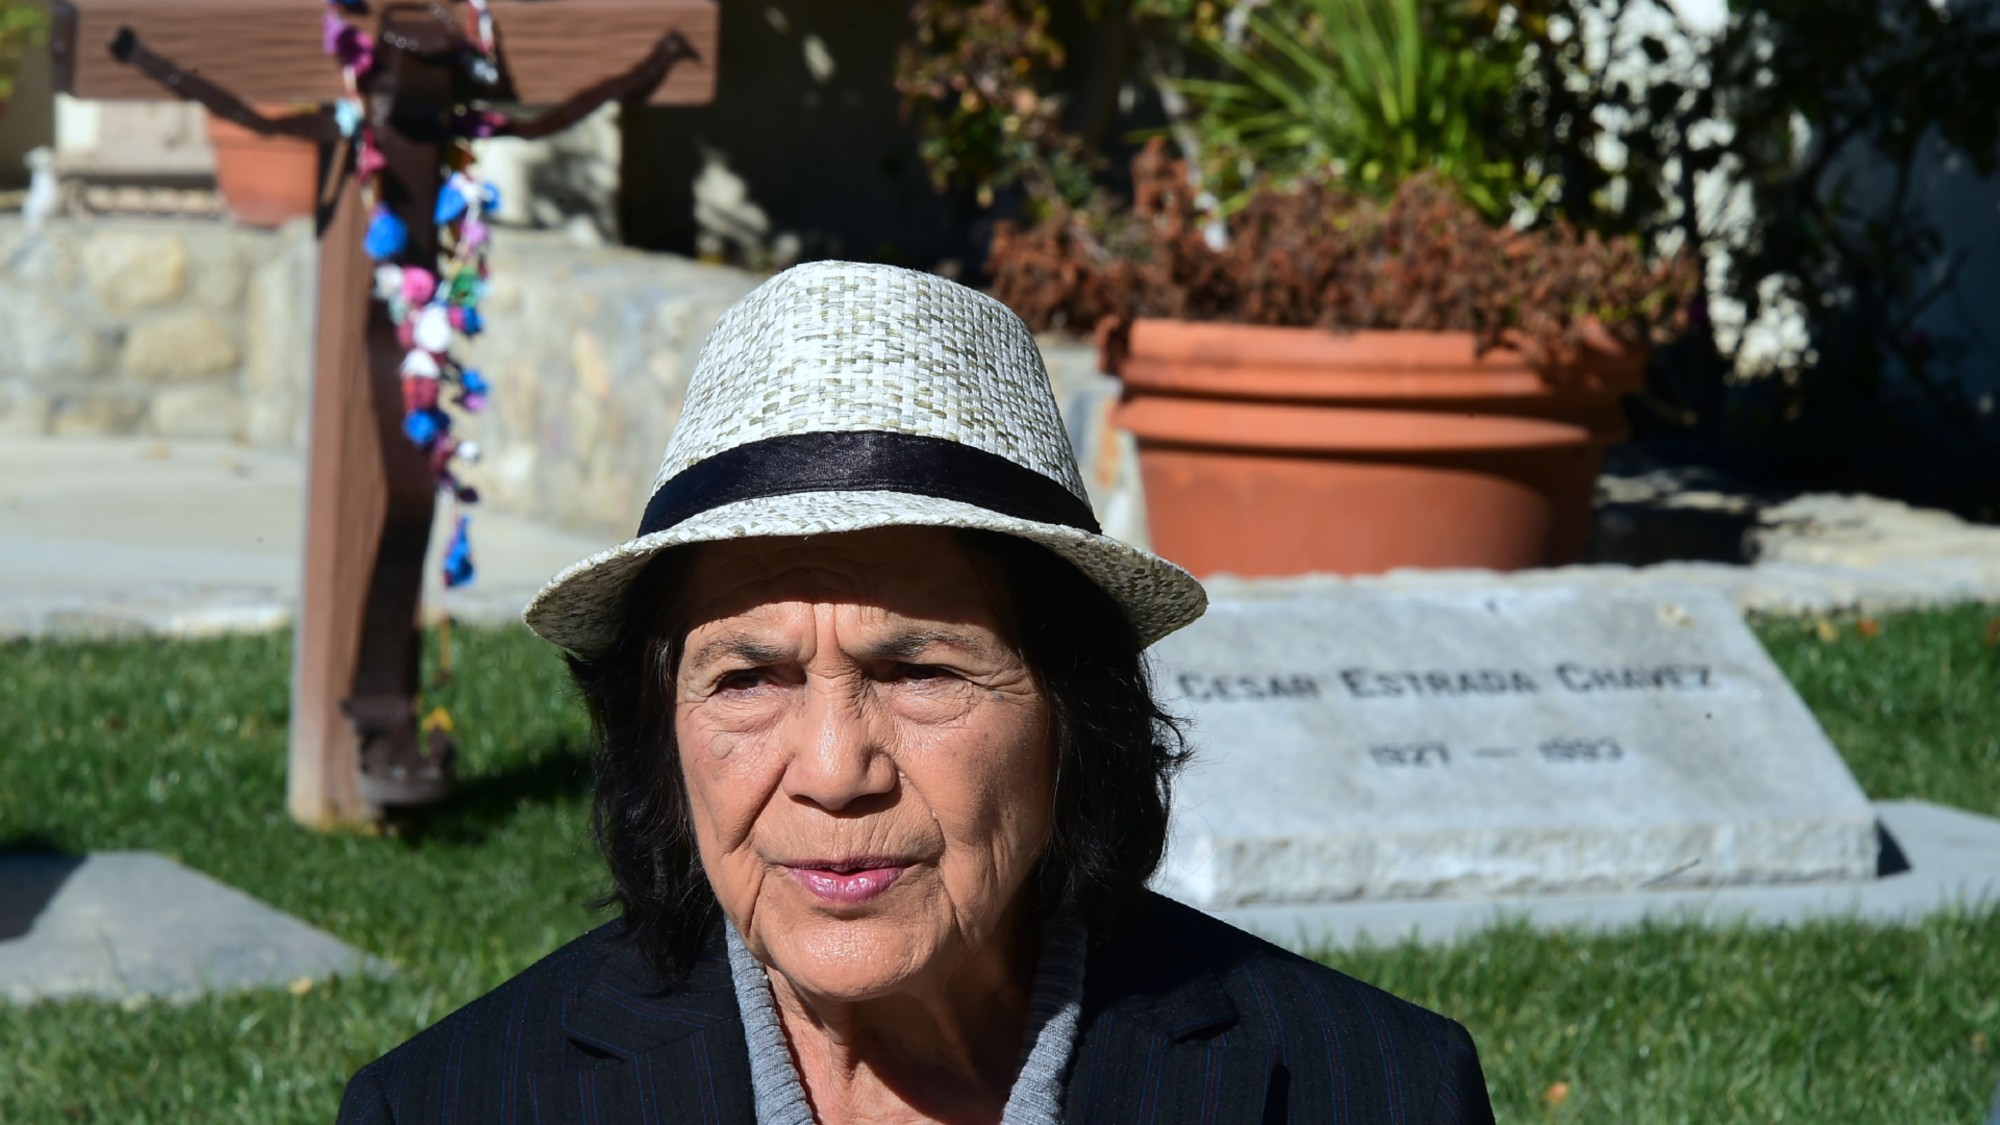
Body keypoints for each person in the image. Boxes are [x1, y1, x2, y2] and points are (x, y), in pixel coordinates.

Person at [336, 261, 1494, 1124]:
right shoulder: (456, 1104)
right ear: (662, 727)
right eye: (748, 678)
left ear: (1071, 715)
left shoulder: (1368, 1090)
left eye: (919, 670)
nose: (835, 769)